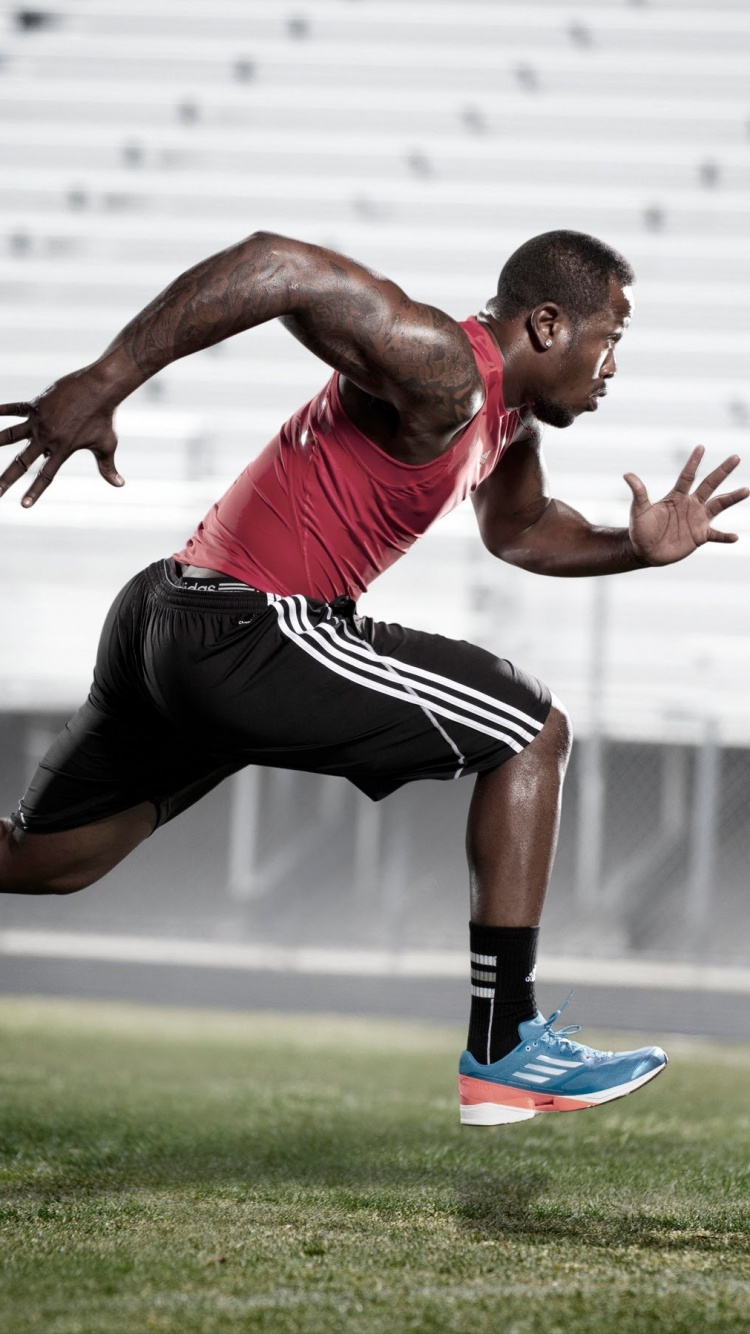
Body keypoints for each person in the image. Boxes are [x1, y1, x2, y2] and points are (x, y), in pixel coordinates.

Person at [0, 230, 746, 1125]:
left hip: (168, 614)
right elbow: (280, 264)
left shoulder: (503, 423)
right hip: (247, 628)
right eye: (611, 335)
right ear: (549, 324)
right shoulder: (443, 369)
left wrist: (635, 546)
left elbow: (518, 529)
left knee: (42, 861)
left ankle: (509, 1049)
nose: (614, 365)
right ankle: (508, 1046)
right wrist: (103, 378)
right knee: (532, 730)